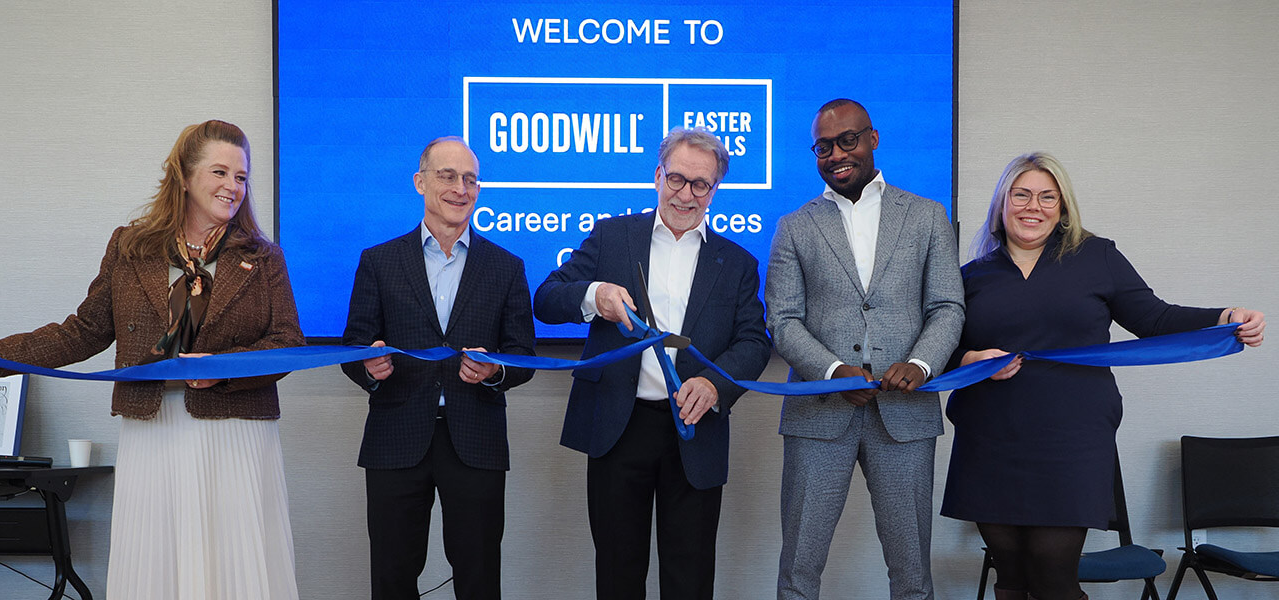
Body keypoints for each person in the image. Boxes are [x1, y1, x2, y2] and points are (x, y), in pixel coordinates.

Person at [0, 120, 305, 599]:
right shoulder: (130, 246)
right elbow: (85, 331)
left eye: (241, 177)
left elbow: (287, 343)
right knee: (157, 564)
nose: (233, 186)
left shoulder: (263, 257)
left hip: (237, 432)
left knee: (235, 563)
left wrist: (219, 368)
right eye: (220, 172)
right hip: (153, 430)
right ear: (184, 175)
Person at [940, 152, 1266, 600]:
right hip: (991, 437)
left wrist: (1225, 316)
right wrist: (969, 357)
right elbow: (938, 349)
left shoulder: (1098, 256)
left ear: (1063, 207)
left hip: (1072, 436)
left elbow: (1155, 318)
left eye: (1047, 197)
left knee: (1054, 578)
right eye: (1021, 194)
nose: (1032, 206)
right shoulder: (970, 275)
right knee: (1011, 580)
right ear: (1002, 202)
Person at [534, 127, 771, 600]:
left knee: (690, 578)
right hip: (619, 429)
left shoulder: (738, 262)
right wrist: (593, 295)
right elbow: (546, 299)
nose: (686, 194)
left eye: (700, 184)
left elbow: (754, 341)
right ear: (657, 175)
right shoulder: (612, 236)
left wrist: (714, 385)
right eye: (677, 179)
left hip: (694, 429)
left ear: (715, 189)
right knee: (619, 576)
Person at [765, 99, 964, 600]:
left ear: (872, 139)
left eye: (847, 141)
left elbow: (947, 307)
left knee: (912, 575)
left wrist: (921, 363)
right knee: (798, 574)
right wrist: (832, 369)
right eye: (823, 147)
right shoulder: (795, 225)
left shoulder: (927, 215)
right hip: (818, 413)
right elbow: (782, 320)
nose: (836, 155)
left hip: (906, 414)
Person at [340, 136, 536, 600]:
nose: (460, 188)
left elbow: (522, 356)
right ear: (420, 182)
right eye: (447, 176)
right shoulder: (379, 261)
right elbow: (353, 347)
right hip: (396, 437)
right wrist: (369, 366)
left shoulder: (506, 267)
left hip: (476, 440)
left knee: (479, 575)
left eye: (470, 178)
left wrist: (496, 373)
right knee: (392, 574)